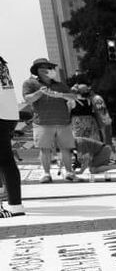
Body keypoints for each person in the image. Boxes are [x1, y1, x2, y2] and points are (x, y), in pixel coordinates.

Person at [22, 57, 78, 183]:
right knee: (44, 148)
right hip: (42, 122)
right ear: (37, 71)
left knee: (66, 148)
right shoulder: (30, 83)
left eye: (48, 67)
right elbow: (27, 99)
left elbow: (74, 96)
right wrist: (39, 93)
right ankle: (46, 173)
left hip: (63, 121)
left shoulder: (60, 85)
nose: (47, 70)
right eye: (43, 68)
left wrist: (61, 95)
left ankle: (69, 172)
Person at [1, 55, 24, 217]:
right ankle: (15, 205)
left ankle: (13, 205)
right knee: (6, 161)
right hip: (8, 115)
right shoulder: (2, 65)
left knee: (5, 161)